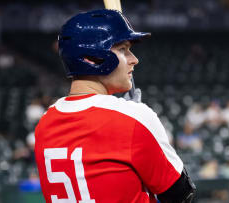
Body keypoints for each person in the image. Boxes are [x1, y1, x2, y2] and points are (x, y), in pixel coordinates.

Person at [35, 9, 195, 203]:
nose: (134, 59)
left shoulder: (45, 123)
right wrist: (140, 120)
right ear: (93, 58)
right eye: (123, 50)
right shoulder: (133, 118)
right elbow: (182, 195)